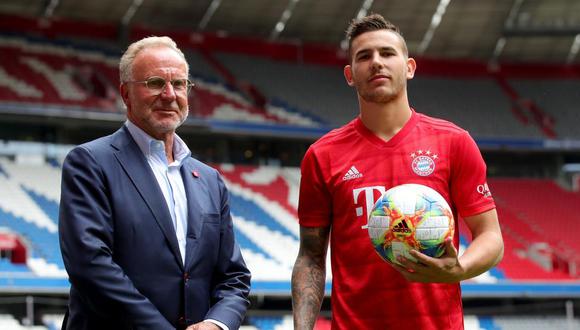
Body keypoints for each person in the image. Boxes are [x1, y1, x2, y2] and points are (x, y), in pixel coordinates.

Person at [291, 14, 504, 330]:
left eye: (387, 53)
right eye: (365, 56)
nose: (376, 62)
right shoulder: (322, 155)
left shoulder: (453, 142)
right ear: (350, 74)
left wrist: (460, 269)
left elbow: (491, 236)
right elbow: (310, 256)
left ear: (409, 67)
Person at [59, 36, 251, 330]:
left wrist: (217, 323)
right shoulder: (90, 163)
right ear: (125, 94)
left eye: (180, 84)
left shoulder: (210, 180)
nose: (169, 94)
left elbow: (234, 277)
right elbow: (90, 266)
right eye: (154, 82)